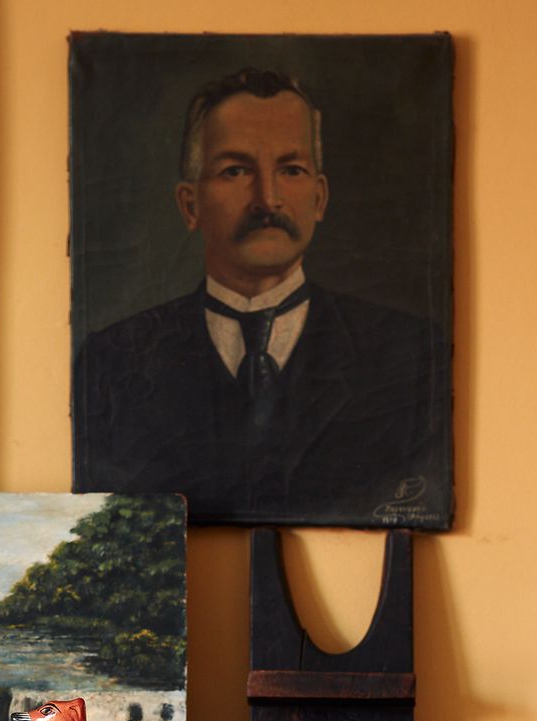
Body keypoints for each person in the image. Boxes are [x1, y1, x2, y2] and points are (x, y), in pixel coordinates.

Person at [72, 67, 449, 527]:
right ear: (190, 204)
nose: (267, 199)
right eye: (235, 171)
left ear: (320, 198)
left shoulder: (409, 356)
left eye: (291, 170)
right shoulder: (112, 363)